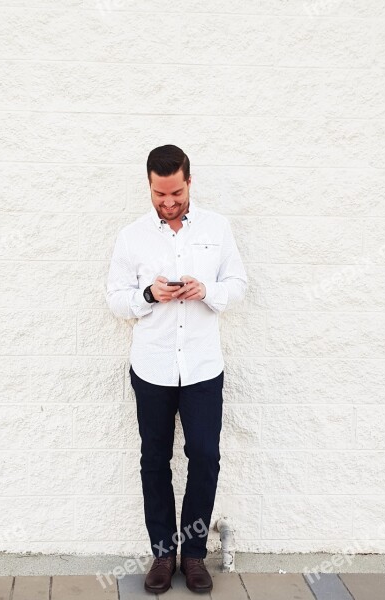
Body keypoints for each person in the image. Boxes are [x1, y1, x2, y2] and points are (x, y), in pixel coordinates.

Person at [105, 144, 248, 594]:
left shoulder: (217, 228)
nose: (168, 203)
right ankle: (164, 554)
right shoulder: (131, 236)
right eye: (159, 194)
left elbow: (238, 284)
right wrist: (148, 296)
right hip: (152, 367)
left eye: (176, 193)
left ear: (190, 182)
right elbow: (115, 298)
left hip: (204, 367)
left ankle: (194, 554)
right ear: (149, 185)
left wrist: (206, 289)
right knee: (154, 461)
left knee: (205, 457)